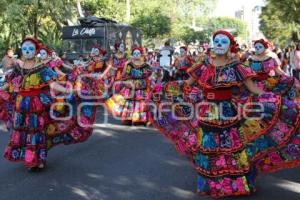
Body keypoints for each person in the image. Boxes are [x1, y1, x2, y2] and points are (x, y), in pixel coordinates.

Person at [148, 30, 300, 198]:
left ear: (230, 46)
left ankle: (235, 185)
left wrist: (278, 100)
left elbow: (254, 89)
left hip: (228, 111)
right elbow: (187, 84)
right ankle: (210, 184)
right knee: (208, 146)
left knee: (231, 146)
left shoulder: (236, 67)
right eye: (216, 41)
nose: (219, 44)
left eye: (223, 41)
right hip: (206, 111)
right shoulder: (204, 64)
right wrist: (164, 88)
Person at [0, 37, 97, 171]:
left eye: (30, 49)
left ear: (36, 51)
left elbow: (54, 84)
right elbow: (9, 84)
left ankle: (38, 159)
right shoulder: (18, 67)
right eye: (25, 49)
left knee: (37, 131)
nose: (27, 51)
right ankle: (29, 157)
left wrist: (70, 90)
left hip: (36, 105)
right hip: (20, 105)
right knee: (24, 131)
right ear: (21, 51)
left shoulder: (41, 68)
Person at [106, 47, 152, 125]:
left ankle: (138, 119)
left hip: (141, 86)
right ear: (132, 55)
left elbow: (149, 74)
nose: (136, 55)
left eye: (138, 53)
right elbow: (125, 74)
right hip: (131, 86)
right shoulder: (129, 64)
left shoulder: (145, 64)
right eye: (135, 53)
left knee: (139, 102)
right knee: (129, 102)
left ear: (141, 55)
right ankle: (128, 117)